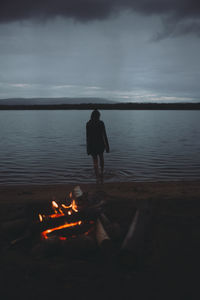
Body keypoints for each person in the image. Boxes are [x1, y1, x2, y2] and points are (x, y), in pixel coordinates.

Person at [86, 109, 110, 183]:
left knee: (95, 161)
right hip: (100, 144)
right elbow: (104, 135)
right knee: (101, 158)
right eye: (99, 116)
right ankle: (101, 173)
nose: (99, 117)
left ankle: (97, 176)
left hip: (92, 145)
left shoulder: (88, 123)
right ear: (98, 116)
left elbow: (87, 137)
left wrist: (88, 148)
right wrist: (107, 146)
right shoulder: (101, 123)